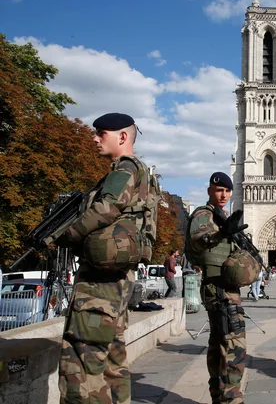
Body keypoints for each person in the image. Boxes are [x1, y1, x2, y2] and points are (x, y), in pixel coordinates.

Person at [56, 112, 160, 404]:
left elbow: (107, 208)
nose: (94, 139)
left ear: (122, 137)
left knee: (82, 369)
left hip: (98, 287)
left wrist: (64, 235)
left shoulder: (124, 169)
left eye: (101, 133)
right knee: (113, 365)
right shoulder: (145, 175)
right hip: (118, 282)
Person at [186, 171, 249, 404]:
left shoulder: (222, 216)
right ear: (210, 191)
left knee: (219, 344)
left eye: (226, 191)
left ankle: (218, 395)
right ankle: (232, 398)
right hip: (219, 289)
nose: (223, 195)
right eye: (219, 190)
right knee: (235, 346)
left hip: (223, 288)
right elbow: (199, 240)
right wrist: (221, 233)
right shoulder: (205, 215)